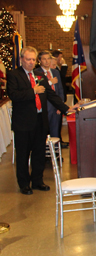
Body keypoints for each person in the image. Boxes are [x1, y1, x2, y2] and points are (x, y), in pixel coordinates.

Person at [7, 46, 77, 195]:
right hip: (23, 123)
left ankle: (37, 181)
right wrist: (33, 91)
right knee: (23, 154)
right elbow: (14, 95)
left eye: (33, 59)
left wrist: (66, 108)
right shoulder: (14, 75)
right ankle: (24, 184)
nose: (31, 62)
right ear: (21, 60)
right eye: (28, 59)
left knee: (39, 153)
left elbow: (51, 96)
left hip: (40, 120)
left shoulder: (40, 75)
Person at [34, 51, 64, 138]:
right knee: (43, 132)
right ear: (39, 60)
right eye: (44, 59)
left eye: (48, 58)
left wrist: (60, 104)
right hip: (44, 106)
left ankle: (55, 150)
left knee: (55, 131)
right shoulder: (36, 72)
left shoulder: (55, 72)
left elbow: (60, 90)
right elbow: (37, 87)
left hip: (56, 106)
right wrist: (49, 82)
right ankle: (45, 150)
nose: (47, 61)